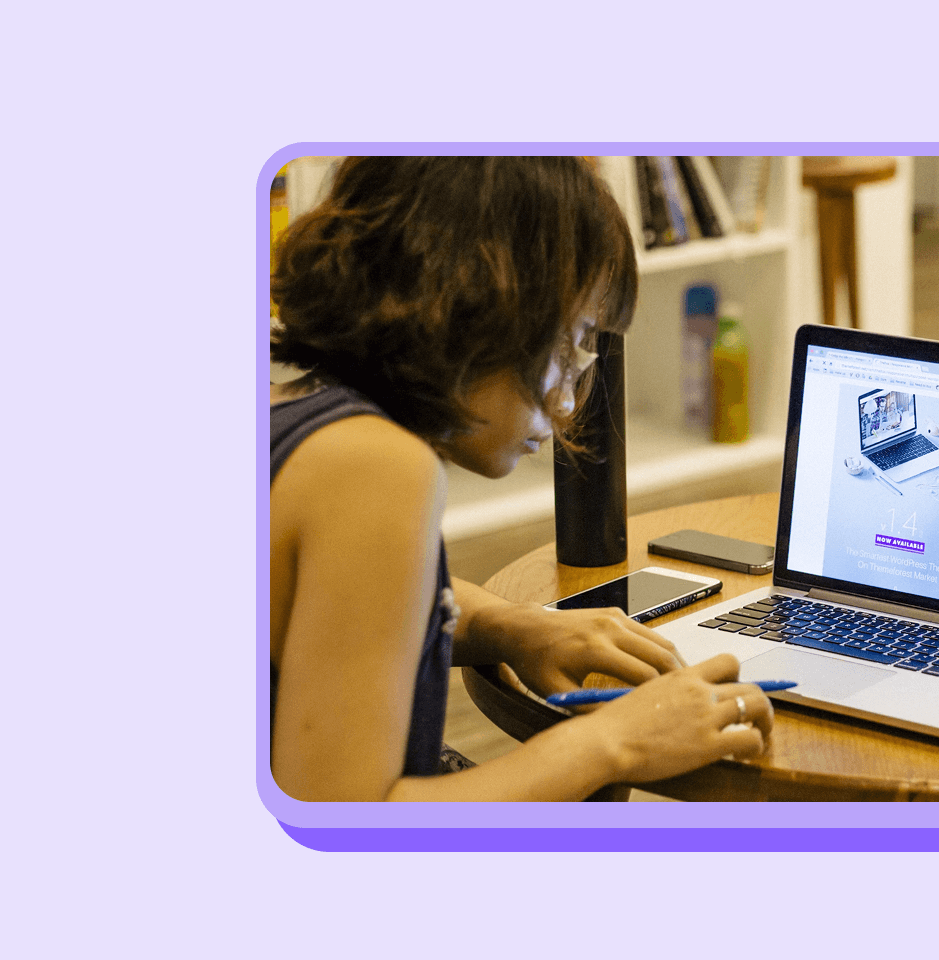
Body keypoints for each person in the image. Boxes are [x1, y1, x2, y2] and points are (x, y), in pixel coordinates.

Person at [268, 157, 771, 801]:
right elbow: (340, 825)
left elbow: (342, 603)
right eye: (572, 341)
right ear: (483, 303)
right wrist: (613, 742)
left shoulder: (291, 404)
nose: (568, 399)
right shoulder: (378, 468)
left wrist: (507, 625)